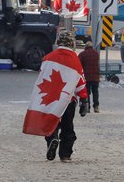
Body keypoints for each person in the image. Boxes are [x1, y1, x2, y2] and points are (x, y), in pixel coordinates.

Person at [43, 30, 89, 162]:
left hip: (51, 99)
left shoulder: (48, 58)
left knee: (51, 123)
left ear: (58, 42)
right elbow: (80, 81)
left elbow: (42, 78)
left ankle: (53, 139)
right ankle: (65, 155)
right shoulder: (74, 59)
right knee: (68, 127)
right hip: (68, 99)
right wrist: (84, 100)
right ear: (71, 43)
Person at [78, 41, 100, 113]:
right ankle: (96, 107)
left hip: (86, 77)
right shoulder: (96, 54)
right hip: (95, 77)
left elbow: (78, 65)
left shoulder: (82, 54)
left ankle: (87, 107)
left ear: (86, 46)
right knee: (95, 92)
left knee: (87, 93)